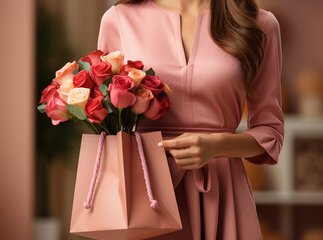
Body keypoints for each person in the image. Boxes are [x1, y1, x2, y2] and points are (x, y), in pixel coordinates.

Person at [97, 0, 284, 239]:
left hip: (222, 189)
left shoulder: (258, 23)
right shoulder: (118, 18)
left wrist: (217, 146)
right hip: (145, 187)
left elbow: (270, 131)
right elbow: (107, 120)